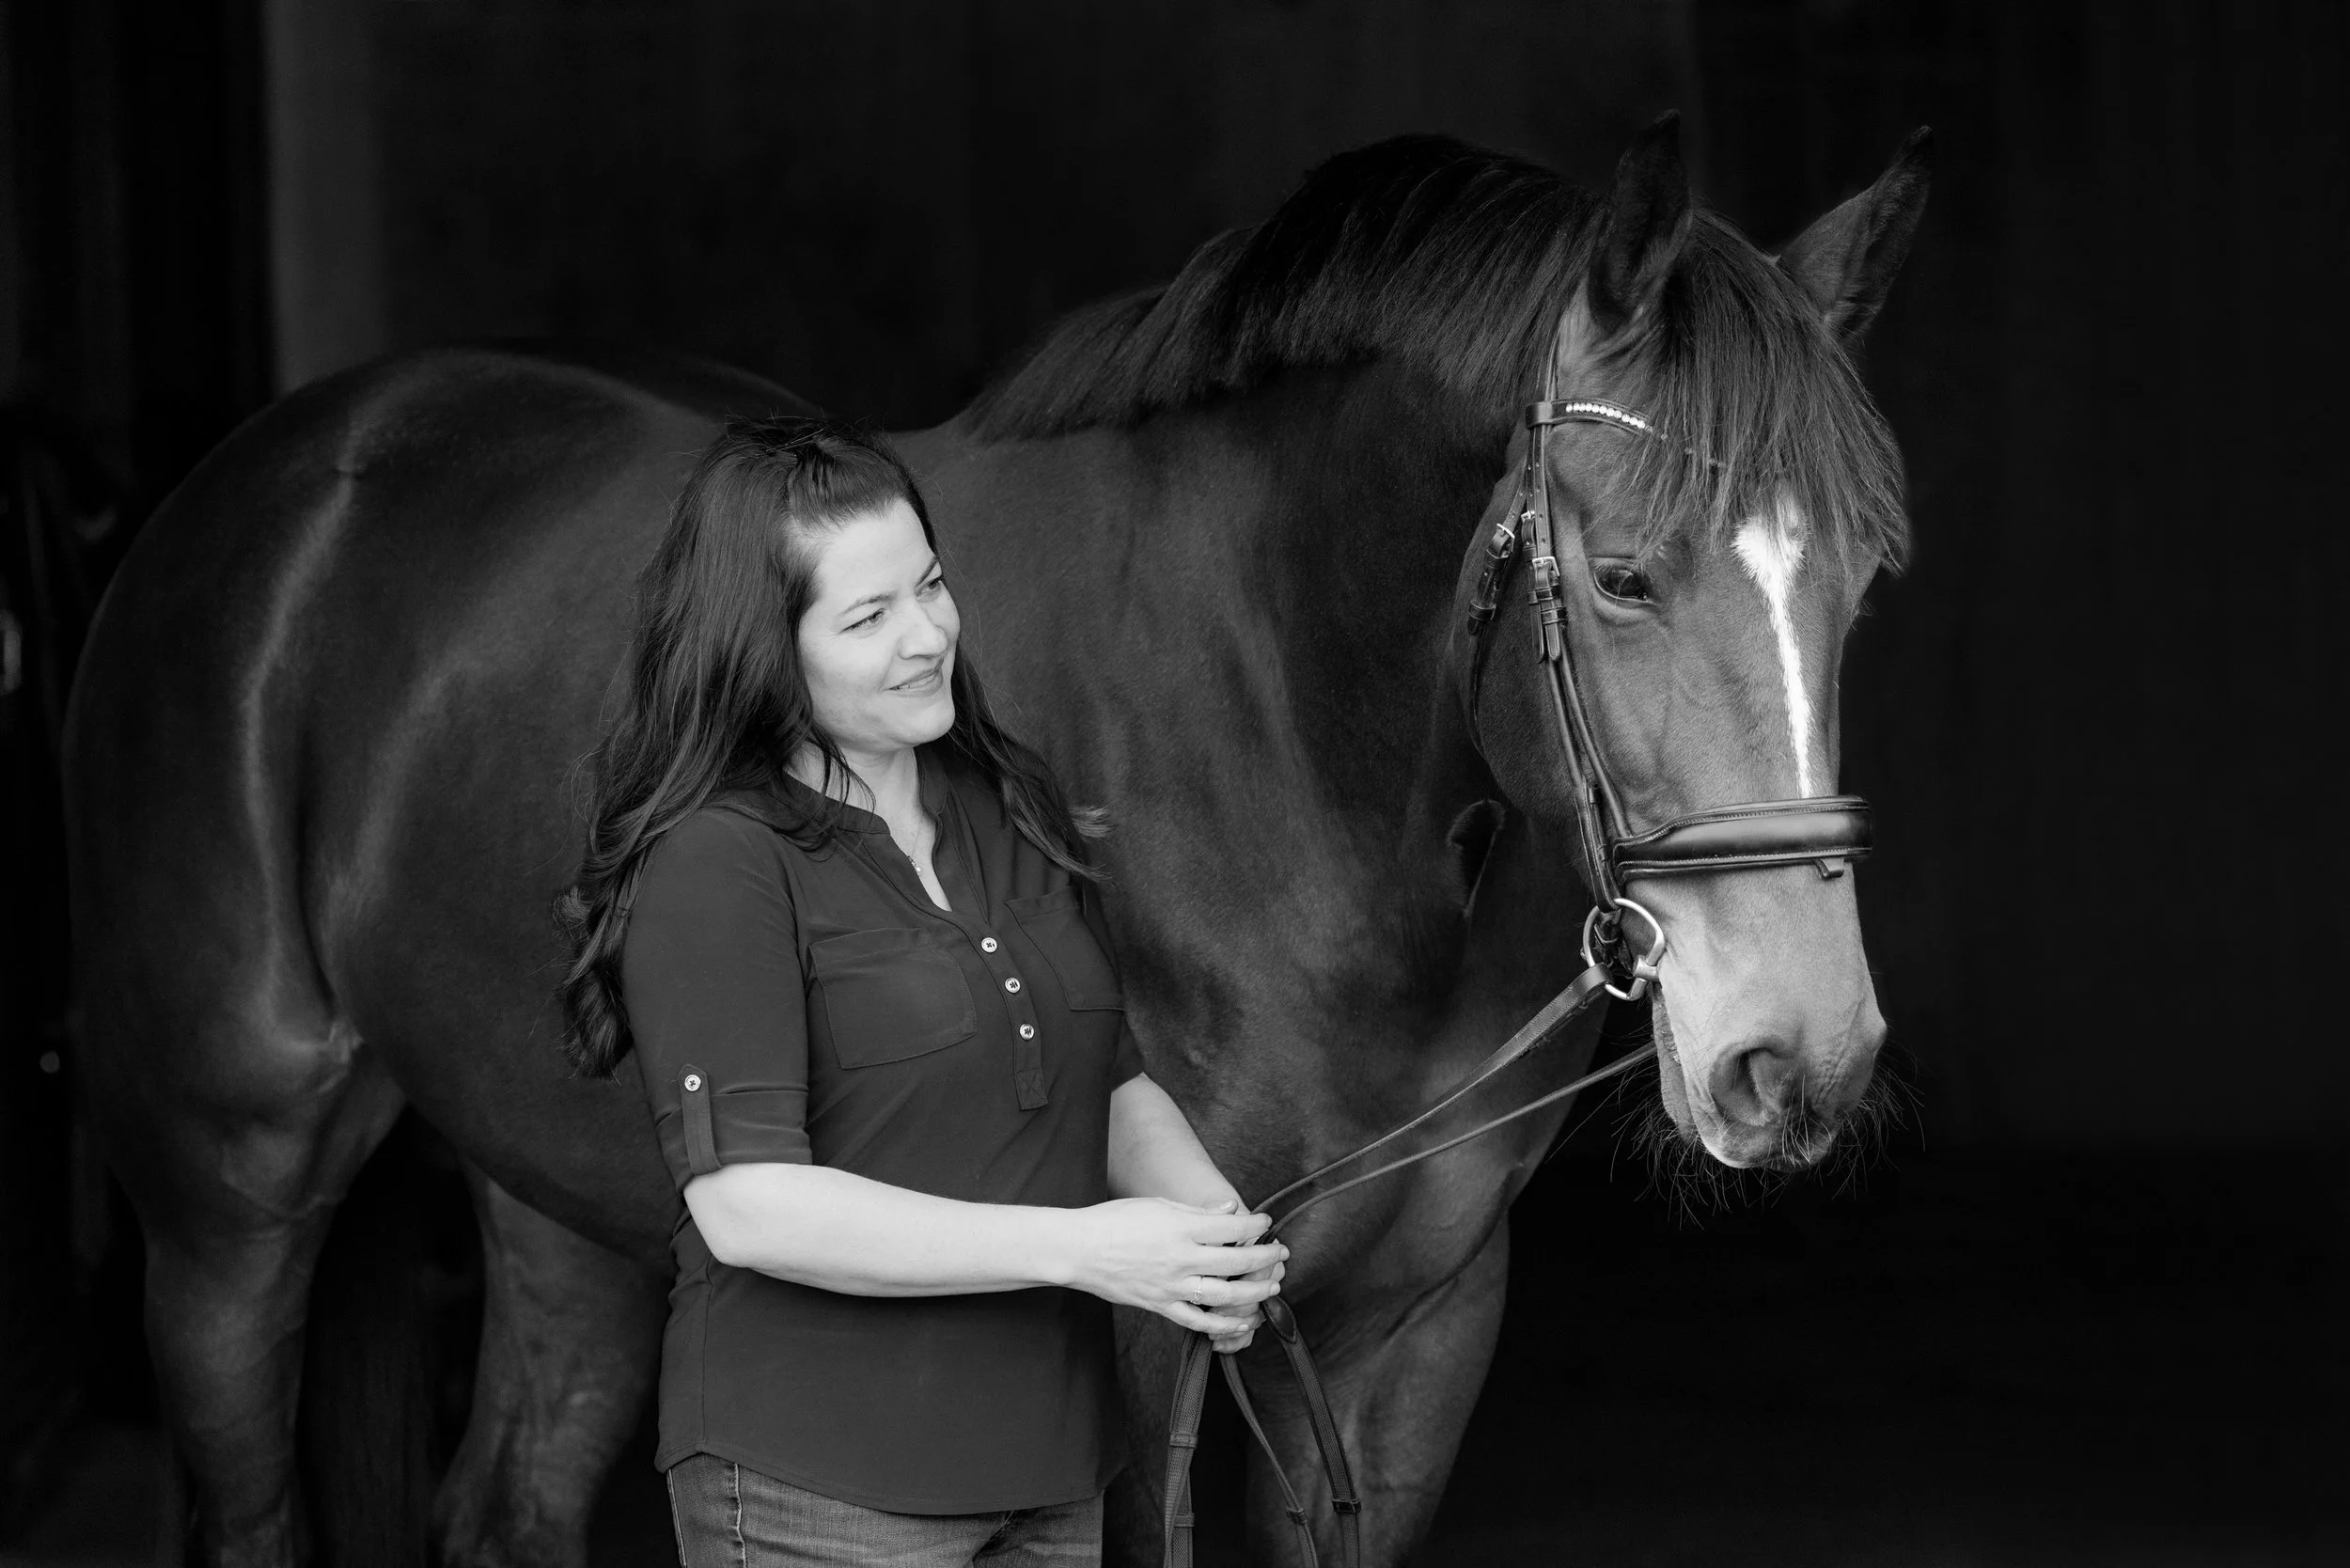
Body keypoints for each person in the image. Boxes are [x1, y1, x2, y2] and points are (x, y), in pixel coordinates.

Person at [555, 417, 1281, 1567]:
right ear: (764, 650)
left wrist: (1208, 1238)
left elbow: (1111, 1077)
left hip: (1051, 1470)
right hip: (816, 1484)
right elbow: (750, 1209)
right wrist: (1089, 1251)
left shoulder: (1004, 800)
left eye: (930, 586)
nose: (927, 634)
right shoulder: (717, 862)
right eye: (867, 616)